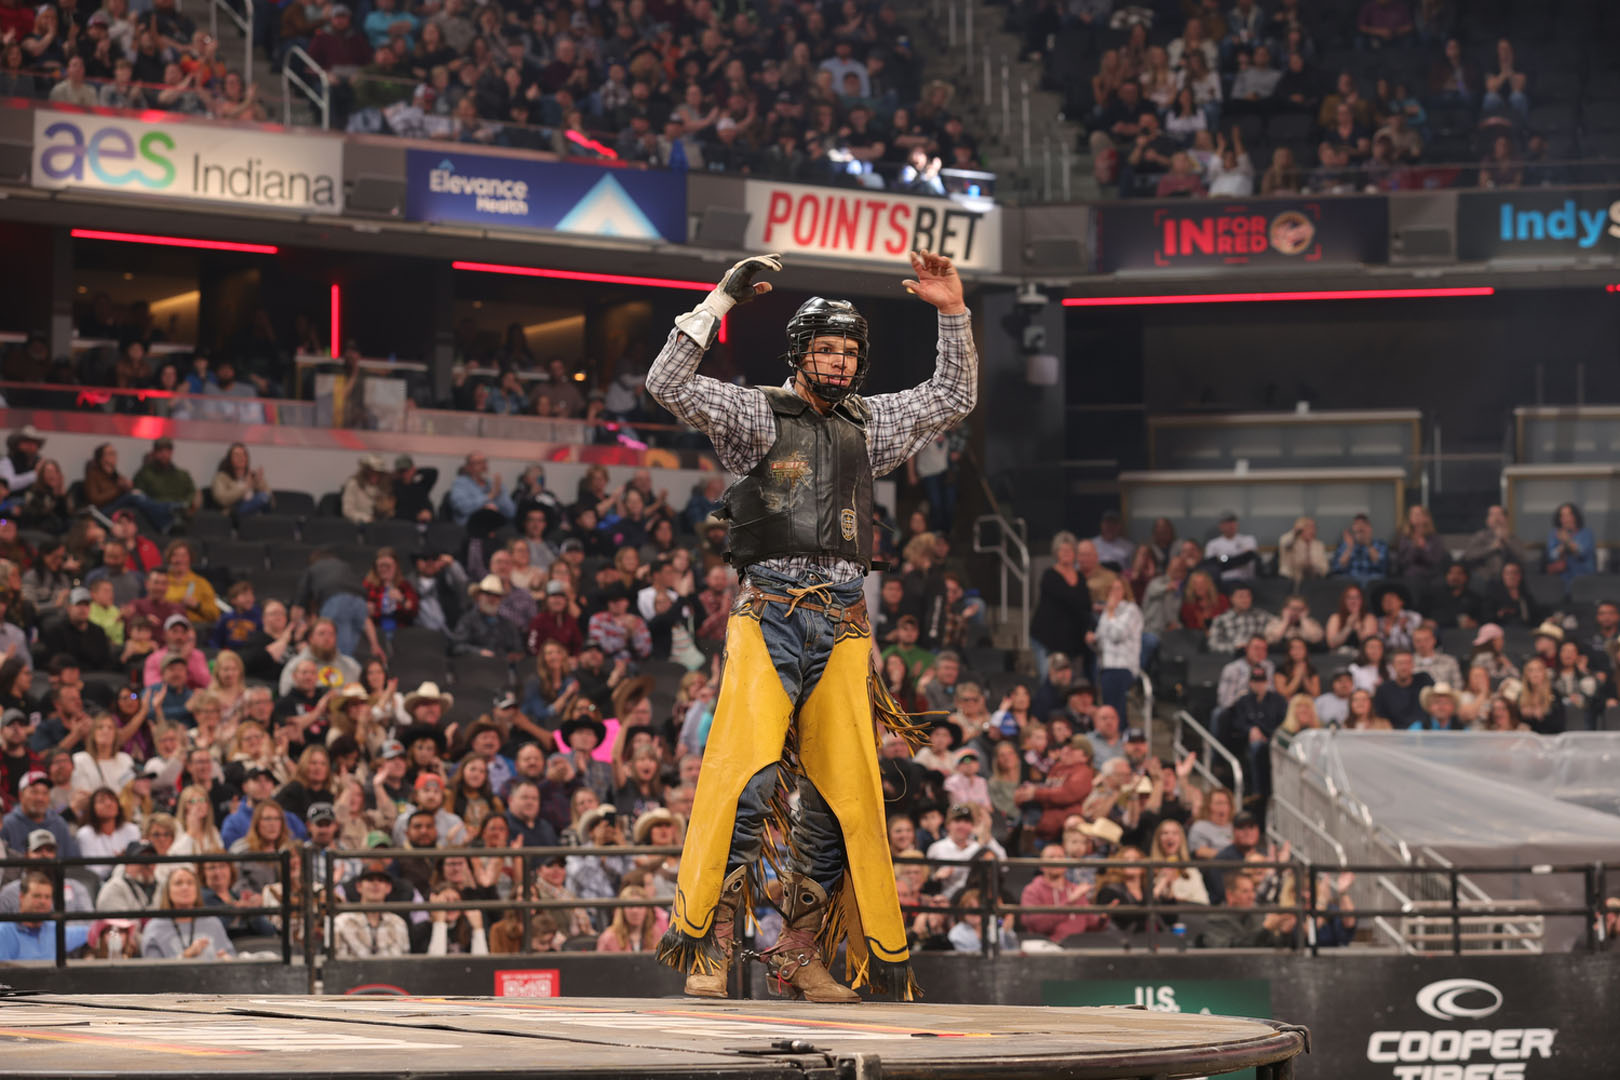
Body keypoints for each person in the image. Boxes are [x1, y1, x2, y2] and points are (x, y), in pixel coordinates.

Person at [646, 251, 977, 1003]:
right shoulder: (756, 413)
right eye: (827, 349)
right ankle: (711, 943)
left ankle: (798, 953)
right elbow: (666, 384)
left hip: (845, 623)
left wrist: (952, 312)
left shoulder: (874, 421)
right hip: (768, 616)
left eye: (850, 351)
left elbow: (954, 394)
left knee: (840, 794)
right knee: (749, 779)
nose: (839, 361)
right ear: (799, 353)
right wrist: (719, 300)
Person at [1030, 532, 1091, 679]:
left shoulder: (1080, 577)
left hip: (1072, 641)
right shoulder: (1049, 576)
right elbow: (1070, 600)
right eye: (1062, 550)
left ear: (1075, 553)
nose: (1066, 554)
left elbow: (1085, 605)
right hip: (1047, 638)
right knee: (1049, 678)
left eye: (1069, 550)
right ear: (1056, 553)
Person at [140, 865, 235, 959]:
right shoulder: (155, 927)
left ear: (197, 890)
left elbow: (230, 955)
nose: (185, 887)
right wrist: (185, 956)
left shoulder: (213, 923)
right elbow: (152, 966)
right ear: (168, 891)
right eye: (178, 883)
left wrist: (226, 958)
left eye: (190, 883)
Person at [0, 871, 90, 961]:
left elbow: (89, 932)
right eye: (37, 896)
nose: (43, 902)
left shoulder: (54, 929)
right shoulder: (4, 932)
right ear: (22, 897)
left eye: (47, 897)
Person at [1545, 503, 1595, 588]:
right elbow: (1552, 556)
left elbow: (1582, 554)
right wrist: (1563, 546)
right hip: (1560, 580)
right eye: (1562, 516)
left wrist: (1567, 540)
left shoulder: (1586, 534)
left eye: (1568, 515)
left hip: (1583, 579)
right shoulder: (1554, 534)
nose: (1565, 519)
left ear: (1575, 517)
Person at [1204, 511, 1258, 581]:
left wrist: (1222, 559)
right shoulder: (1212, 544)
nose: (1231, 525)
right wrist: (1239, 558)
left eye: (1233, 522)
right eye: (1227, 523)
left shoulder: (1248, 540)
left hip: (1246, 580)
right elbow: (1212, 565)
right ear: (1221, 526)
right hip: (1224, 582)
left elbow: (1247, 557)